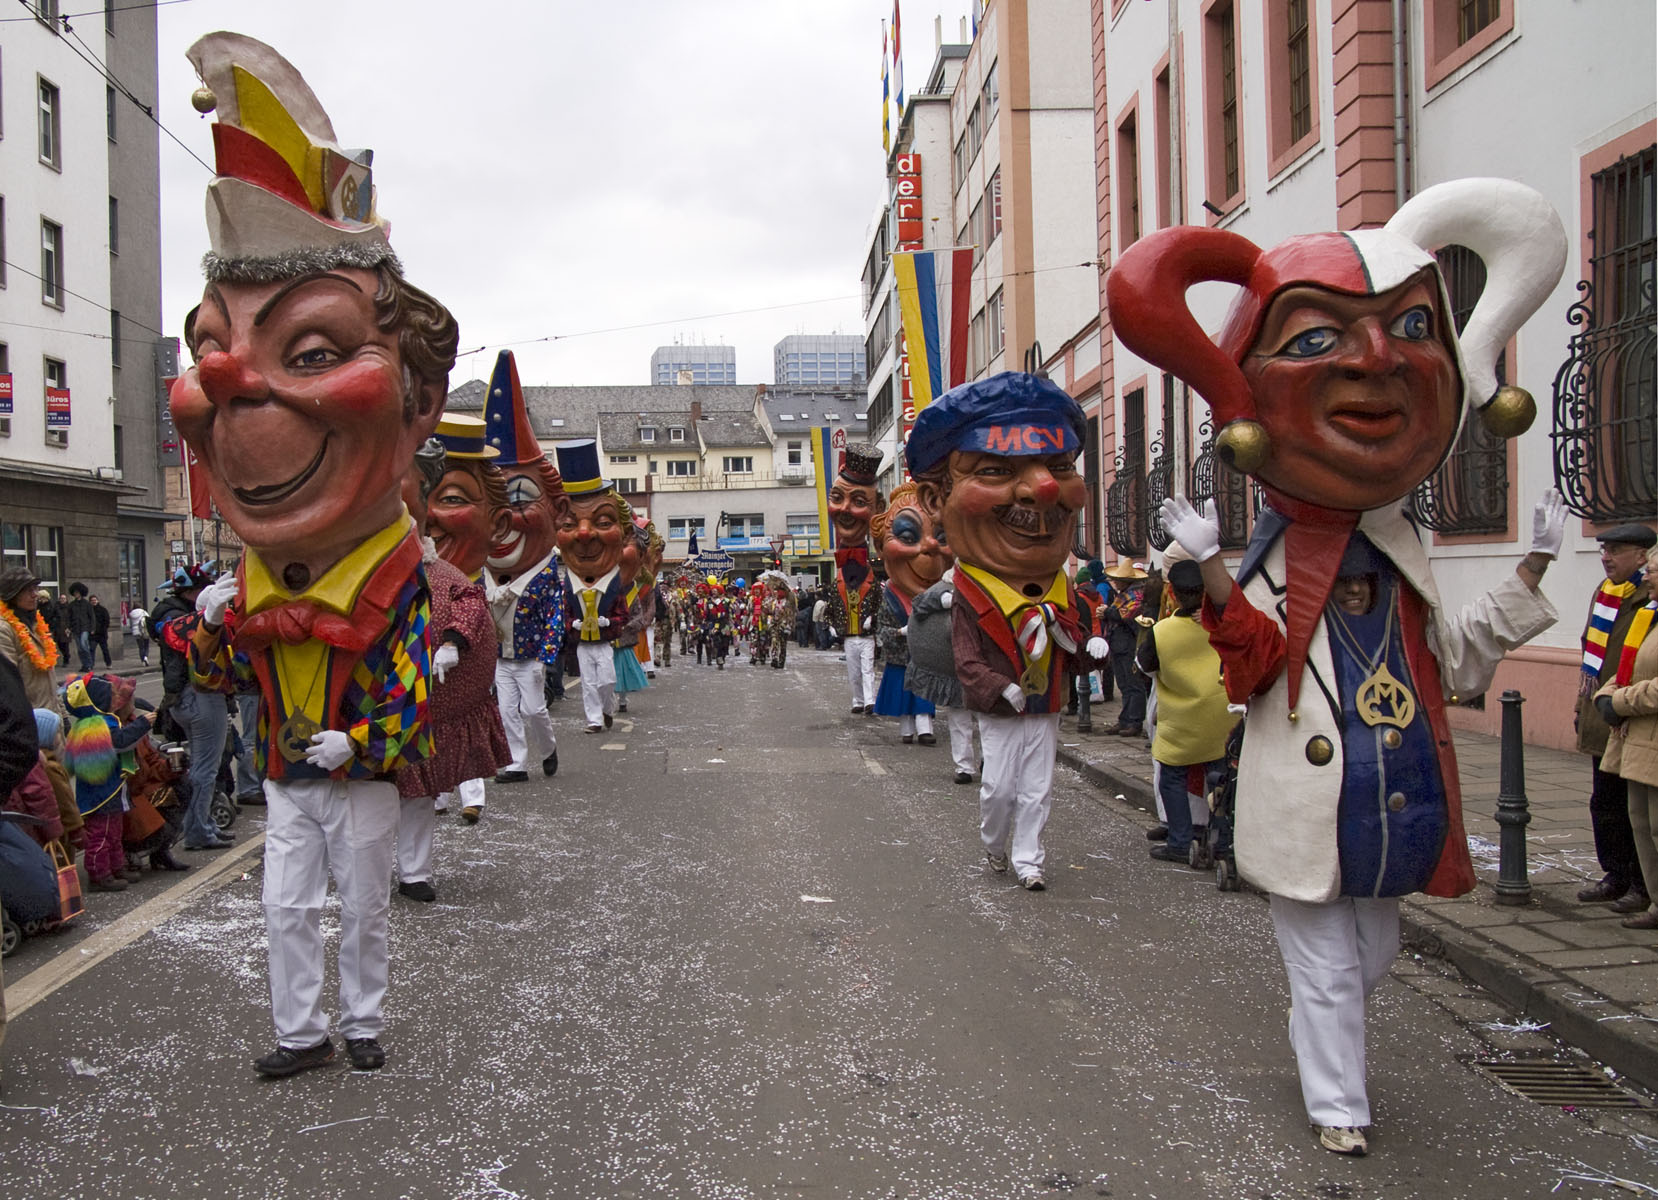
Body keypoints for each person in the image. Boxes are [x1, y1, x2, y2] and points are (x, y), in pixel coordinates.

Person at [1116, 176, 1568, 1156]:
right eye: (1315, 338)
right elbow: (1255, 667)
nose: (1370, 362)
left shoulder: (1401, 549)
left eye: (1408, 328)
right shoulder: (1273, 561)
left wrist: (1529, 568)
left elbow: (1451, 662)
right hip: (1306, 804)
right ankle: (1337, 1105)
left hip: (1392, 799)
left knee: (1371, 954)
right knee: (1325, 967)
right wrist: (1204, 572)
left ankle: (1323, 1046)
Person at [173, 32, 454, 1079]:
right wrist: (197, 632)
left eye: (315, 351)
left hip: (361, 774)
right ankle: (298, 1032)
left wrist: (365, 744)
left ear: (417, 402)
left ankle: (364, 1021)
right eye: (213, 345)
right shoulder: (245, 580)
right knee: (286, 905)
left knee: (365, 906)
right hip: (290, 777)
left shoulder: (394, 579)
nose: (231, 386)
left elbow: (417, 687)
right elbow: (218, 678)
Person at [909, 372, 1109, 892]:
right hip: (1001, 706)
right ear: (935, 499)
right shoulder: (968, 597)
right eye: (997, 469)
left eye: (1060, 466)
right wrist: (1000, 687)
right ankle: (997, 844)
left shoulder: (1067, 593)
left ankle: (1030, 859)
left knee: (1038, 788)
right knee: (998, 787)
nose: (1043, 489)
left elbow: (1078, 648)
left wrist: (1092, 650)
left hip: (1045, 706)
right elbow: (966, 657)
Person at [396, 441, 510, 897]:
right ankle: (354, 870)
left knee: (417, 796)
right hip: (361, 713)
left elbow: (467, 603)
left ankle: (413, 872)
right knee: (363, 803)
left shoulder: (441, 573)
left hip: (422, 709)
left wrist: (453, 641)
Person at [481, 353, 570, 775]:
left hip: (531, 655)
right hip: (501, 657)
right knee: (506, 710)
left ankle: (548, 748)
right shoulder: (478, 575)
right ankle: (515, 761)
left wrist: (548, 652)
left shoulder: (549, 575)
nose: (501, 517)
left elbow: (555, 614)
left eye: (515, 497)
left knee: (535, 710)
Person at [1573, 523, 1656, 913]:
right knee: (1603, 801)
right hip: (1600, 711)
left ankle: (1643, 883)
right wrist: (1581, 704)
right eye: (1604, 549)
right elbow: (1589, 649)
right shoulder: (1605, 594)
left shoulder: (1649, 596)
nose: (1606, 557)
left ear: (1642, 556)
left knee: (1637, 807)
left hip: (1632, 716)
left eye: (1615, 550)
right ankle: (1615, 874)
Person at [1137, 558, 1234, 865]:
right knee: (1221, 782)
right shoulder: (1223, 624)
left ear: (1173, 594)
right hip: (1223, 720)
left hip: (1181, 724)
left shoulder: (1162, 631)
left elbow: (1143, 667)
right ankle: (1223, 843)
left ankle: (1180, 841)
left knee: (1171, 779)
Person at [1595, 544, 1658, 930]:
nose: (1646, 576)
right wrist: (1605, 695)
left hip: (1649, 736)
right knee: (1641, 824)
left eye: (1652, 570)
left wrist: (1620, 700)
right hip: (1636, 740)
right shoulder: (1648, 615)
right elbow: (1628, 667)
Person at [153, 564, 233, 853]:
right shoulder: (200, 626)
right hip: (202, 696)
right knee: (205, 768)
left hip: (183, 700)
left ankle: (202, 824)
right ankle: (198, 829)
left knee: (201, 766)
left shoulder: (175, 621)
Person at [553, 440, 633, 730]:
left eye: (600, 521)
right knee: (588, 682)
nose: (584, 534)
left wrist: (608, 622)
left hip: (604, 642)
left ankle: (607, 707)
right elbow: (562, 614)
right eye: (569, 524)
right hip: (584, 645)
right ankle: (594, 720)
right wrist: (571, 624)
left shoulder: (614, 586)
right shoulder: (567, 587)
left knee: (608, 679)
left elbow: (622, 615)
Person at [872, 483, 947, 745]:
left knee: (924, 695)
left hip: (925, 660)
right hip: (901, 659)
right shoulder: (889, 599)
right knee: (902, 695)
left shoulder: (945, 598)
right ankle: (906, 730)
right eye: (906, 535)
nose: (930, 546)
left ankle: (925, 729)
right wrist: (901, 632)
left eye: (943, 537)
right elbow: (881, 631)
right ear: (880, 547)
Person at [62, 675, 152, 892]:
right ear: (97, 701)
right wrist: (142, 723)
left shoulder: (102, 720)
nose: (115, 700)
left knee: (113, 831)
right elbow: (119, 743)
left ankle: (116, 867)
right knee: (101, 834)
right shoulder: (97, 725)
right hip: (101, 792)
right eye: (110, 696)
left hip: (111, 789)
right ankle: (99, 874)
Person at [824, 444, 883, 712]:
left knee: (868, 670)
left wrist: (875, 621)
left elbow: (881, 603)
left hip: (866, 635)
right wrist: (833, 625)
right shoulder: (837, 581)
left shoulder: (874, 575)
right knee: (854, 672)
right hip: (849, 635)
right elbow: (829, 606)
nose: (844, 509)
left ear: (877, 507)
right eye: (836, 497)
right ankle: (858, 700)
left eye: (859, 502)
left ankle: (869, 700)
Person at [0, 566, 63, 712]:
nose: (35, 594)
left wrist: (63, 714)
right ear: (13, 596)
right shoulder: (4, 630)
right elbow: (9, 686)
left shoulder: (36, 625)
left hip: (53, 720)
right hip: (29, 722)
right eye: (29, 590)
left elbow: (50, 677)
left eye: (35, 589)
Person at [1100, 562, 1150, 736]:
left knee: (1133, 684)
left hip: (1129, 644)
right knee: (1123, 684)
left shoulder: (1135, 596)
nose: (1115, 582)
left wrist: (1107, 612)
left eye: (1118, 580)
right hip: (1118, 643)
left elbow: (1128, 617)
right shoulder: (1122, 595)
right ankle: (1124, 719)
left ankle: (1134, 721)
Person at [65, 583, 95, 672]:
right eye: (74, 593)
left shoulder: (87, 604)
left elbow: (92, 617)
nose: (76, 594)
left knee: (84, 644)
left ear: (81, 593)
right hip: (75, 628)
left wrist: (93, 628)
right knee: (80, 648)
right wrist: (68, 627)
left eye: (77, 592)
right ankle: (84, 665)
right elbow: (69, 618)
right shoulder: (71, 605)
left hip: (85, 628)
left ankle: (89, 664)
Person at [88, 595, 112, 667]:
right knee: (91, 650)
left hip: (102, 634)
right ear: (90, 602)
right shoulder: (89, 611)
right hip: (93, 634)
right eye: (92, 600)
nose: (94, 601)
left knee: (105, 650)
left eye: (95, 600)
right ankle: (91, 664)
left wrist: (103, 629)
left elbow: (107, 621)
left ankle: (108, 663)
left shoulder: (103, 610)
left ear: (97, 601)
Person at [128, 602, 152, 667]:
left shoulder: (131, 614)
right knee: (146, 645)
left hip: (136, 631)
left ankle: (142, 661)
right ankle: (146, 658)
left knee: (141, 647)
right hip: (144, 631)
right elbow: (148, 620)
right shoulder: (143, 612)